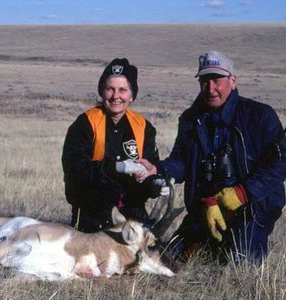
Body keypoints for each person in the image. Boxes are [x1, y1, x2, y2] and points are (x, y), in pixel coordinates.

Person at [137, 51, 286, 263]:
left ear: (232, 81)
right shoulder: (190, 119)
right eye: (205, 81)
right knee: (169, 257)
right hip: (204, 208)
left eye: (217, 80)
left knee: (240, 262)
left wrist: (243, 193)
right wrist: (158, 169)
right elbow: (181, 162)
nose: (211, 88)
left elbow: (279, 164)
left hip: (250, 208)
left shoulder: (260, 116)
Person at [62, 58, 161, 232]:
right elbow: (74, 169)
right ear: (102, 92)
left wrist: (154, 183)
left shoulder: (144, 127)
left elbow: (151, 166)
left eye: (123, 90)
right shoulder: (85, 123)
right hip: (92, 213)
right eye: (110, 89)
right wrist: (117, 167)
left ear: (132, 95)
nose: (116, 96)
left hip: (133, 213)